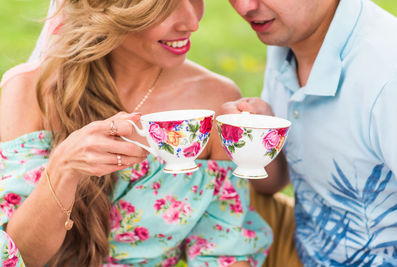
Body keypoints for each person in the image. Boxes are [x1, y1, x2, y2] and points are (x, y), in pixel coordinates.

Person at [0, 0, 272, 266]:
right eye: (167, 5)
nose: (192, 22)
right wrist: (63, 168)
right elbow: (21, 256)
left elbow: (223, 253)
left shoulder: (213, 102)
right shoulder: (29, 91)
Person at [223, 0, 397, 266]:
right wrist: (254, 138)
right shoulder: (287, 39)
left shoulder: (388, 77)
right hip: (305, 250)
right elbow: (274, 183)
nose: (245, 7)